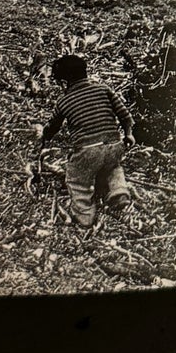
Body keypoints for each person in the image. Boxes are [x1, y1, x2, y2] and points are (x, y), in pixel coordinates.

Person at [37, 52, 136, 228]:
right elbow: (125, 115)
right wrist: (128, 134)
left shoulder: (64, 101)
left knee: (76, 179)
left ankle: (85, 217)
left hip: (87, 149)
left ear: (64, 81)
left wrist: (45, 137)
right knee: (113, 166)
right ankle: (119, 191)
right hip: (114, 144)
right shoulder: (103, 89)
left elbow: (53, 126)